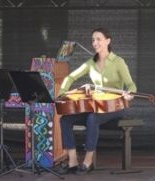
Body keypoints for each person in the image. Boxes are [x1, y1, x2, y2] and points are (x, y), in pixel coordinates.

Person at [57, 28, 137, 174]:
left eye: (98, 39)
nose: (95, 42)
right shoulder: (90, 63)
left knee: (92, 118)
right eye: (93, 40)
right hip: (96, 105)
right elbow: (70, 77)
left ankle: (87, 162)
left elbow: (131, 85)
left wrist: (129, 93)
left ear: (108, 41)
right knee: (65, 120)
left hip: (115, 107)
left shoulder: (118, 62)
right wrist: (62, 93)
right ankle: (73, 161)